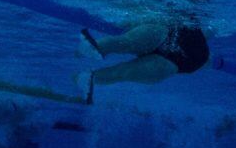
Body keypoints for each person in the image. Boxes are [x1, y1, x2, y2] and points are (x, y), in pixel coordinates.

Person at [81, 20, 212, 98]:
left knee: (124, 43)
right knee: (120, 72)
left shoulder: (158, 22)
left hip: (174, 45)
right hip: (183, 61)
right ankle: (84, 78)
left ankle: (85, 56)